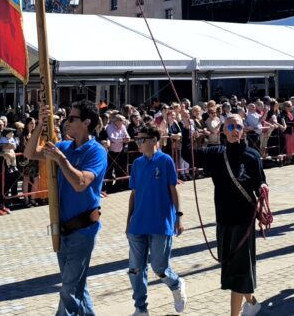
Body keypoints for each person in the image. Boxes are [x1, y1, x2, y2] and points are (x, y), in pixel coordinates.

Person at [178, 106, 265, 316]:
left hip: (245, 220)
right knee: (233, 268)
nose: (235, 130)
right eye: (231, 126)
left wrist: (263, 190)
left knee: (238, 269)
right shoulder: (216, 154)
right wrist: (186, 127)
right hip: (224, 219)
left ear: (244, 130)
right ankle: (252, 303)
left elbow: (259, 182)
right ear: (223, 131)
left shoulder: (252, 156)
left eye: (239, 126)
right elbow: (188, 154)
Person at [25, 100, 107, 316]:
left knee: (69, 291)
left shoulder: (96, 151)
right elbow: (30, 152)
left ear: (87, 122)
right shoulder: (64, 146)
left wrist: (62, 160)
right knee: (77, 287)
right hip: (62, 229)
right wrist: (41, 125)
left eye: (72, 118)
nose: (66, 122)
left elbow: (81, 183)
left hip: (83, 230)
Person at [126, 125, 187, 316]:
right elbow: (134, 193)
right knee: (135, 269)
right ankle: (141, 309)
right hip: (138, 224)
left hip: (161, 223)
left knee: (159, 267)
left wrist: (178, 216)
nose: (138, 143)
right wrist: (128, 221)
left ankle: (176, 284)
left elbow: (173, 189)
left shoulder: (166, 160)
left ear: (153, 140)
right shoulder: (137, 163)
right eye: (137, 139)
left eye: (141, 139)